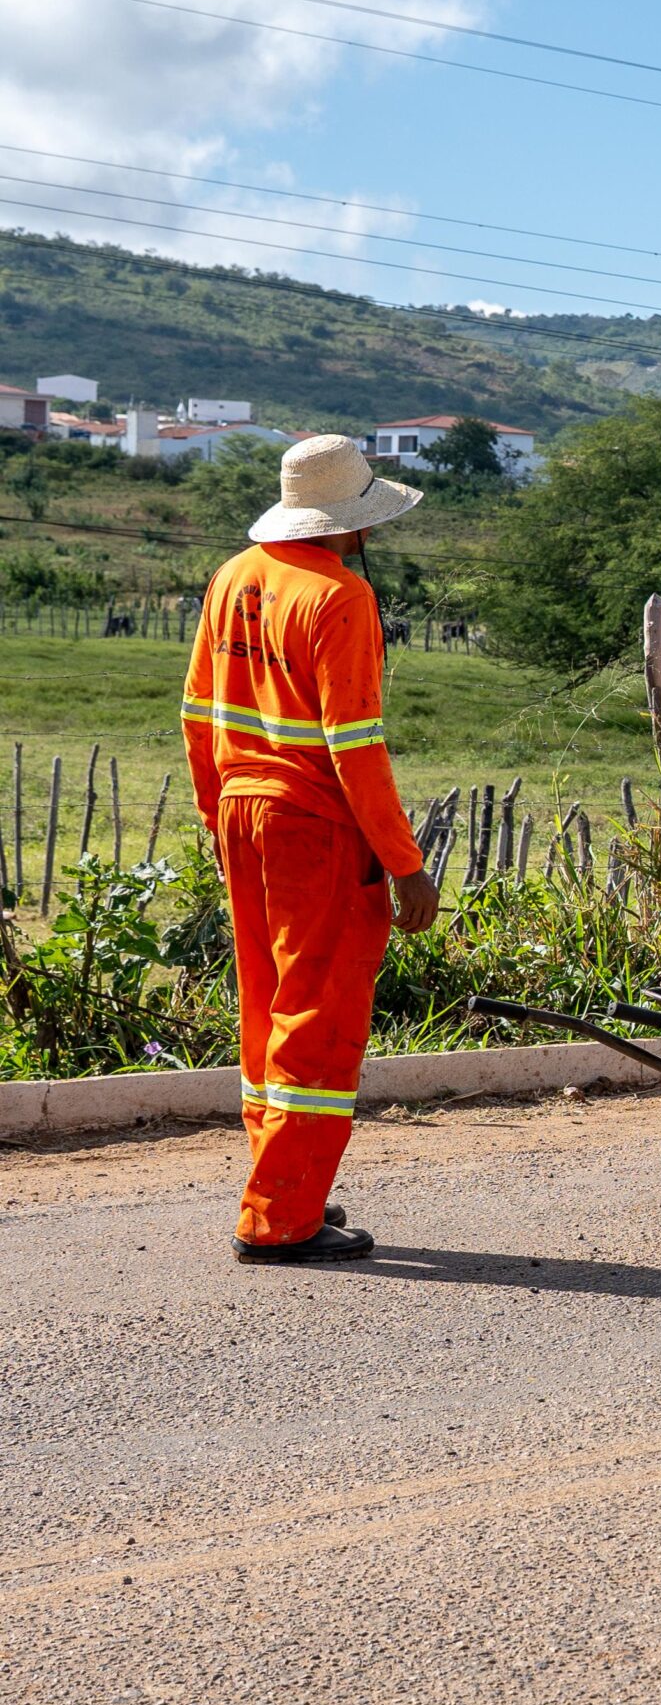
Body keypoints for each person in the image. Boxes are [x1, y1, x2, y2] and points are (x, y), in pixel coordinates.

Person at [182, 435, 440, 1264]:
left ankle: (283, 1183)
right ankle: (281, 1219)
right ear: (350, 522)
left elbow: (196, 716)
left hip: (242, 817)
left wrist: (215, 819)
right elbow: (356, 746)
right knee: (318, 1019)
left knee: (265, 1010)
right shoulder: (340, 597)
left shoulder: (233, 577)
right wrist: (405, 862)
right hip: (316, 829)